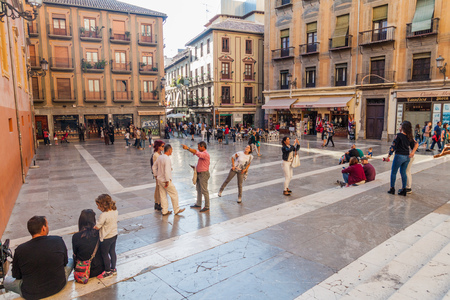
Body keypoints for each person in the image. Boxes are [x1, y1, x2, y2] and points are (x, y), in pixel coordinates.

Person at [4, 216, 73, 299]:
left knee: (6, 281)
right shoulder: (58, 240)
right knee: (71, 260)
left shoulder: (20, 250)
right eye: (47, 225)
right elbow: (65, 262)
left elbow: (16, 275)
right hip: (58, 285)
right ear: (43, 228)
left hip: (30, 293)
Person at [385, 121, 418, 196]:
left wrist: (388, 156)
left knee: (394, 172)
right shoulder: (409, 136)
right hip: (407, 157)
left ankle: (392, 189)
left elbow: (393, 146)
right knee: (403, 172)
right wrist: (412, 153)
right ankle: (404, 189)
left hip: (399, 156)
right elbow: (415, 145)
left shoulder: (399, 135)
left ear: (403, 127)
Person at [152, 144, 186, 216]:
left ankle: (164, 211)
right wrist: (167, 181)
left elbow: (154, 167)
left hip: (160, 180)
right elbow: (167, 171)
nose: (172, 152)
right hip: (165, 180)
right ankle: (176, 209)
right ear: (169, 150)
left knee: (163, 195)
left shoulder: (160, 157)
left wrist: (156, 175)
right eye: (172, 150)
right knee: (174, 193)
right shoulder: (167, 159)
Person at [72, 209, 105, 279]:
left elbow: (75, 253)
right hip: (99, 269)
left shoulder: (76, 236)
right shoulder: (99, 233)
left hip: (83, 271)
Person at [94, 194, 118, 278]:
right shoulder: (115, 211)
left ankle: (107, 271)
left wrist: (94, 226)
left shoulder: (103, 215)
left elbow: (98, 227)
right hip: (114, 234)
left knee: (104, 254)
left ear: (103, 205)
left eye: (98, 205)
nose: (98, 208)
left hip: (106, 237)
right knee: (112, 251)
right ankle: (113, 268)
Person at [182, 141, 211, 212]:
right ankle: (198, 203)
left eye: (199, 147)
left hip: (204, 174)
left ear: (203, 147)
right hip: (199, 173)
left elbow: (196, 152)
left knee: (204, 190)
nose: (198, 148)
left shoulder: (205, 154)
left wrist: (187, 148)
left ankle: (207, 206)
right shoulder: (203, 154)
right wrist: (195, 167)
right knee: (199, 189)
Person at [151, 140, 165, 211]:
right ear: (158, 146)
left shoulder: (160, 154)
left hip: (160, 174)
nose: (163, 147)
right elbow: (155, 166)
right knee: (158, 189)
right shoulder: (156, 155)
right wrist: (156, 175)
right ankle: (157, 203)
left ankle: (157, 203)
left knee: (158, 188)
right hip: (158, 174)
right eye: (162, 146)